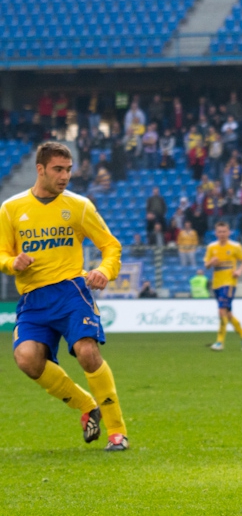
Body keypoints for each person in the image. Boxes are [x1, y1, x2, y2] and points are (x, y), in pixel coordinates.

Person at [0, 142, 128, 451]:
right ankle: (86, 405)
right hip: (33, 298)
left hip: (71, 291)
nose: (65, 176)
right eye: (58, 169)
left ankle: (117, 432)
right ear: (40, 169)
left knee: (86, 351)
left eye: (69, 170)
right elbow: (2, 253)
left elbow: (111, 246)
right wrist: (10, 263)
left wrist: (104, 271)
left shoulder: (80, 206)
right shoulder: (11, 208)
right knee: (27, 359)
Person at [204, 221, 242, 351]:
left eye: (224, 231)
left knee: (221, 311)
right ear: (216, 233)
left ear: (229, 232)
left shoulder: (235, 246)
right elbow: (206, 265)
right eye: (219, 231)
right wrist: (211, 262)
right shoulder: (211, 247)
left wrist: (239, 271)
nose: (222, 234)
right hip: (216, 284)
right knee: (228, 314)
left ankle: (220, 342)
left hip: (229, 283)